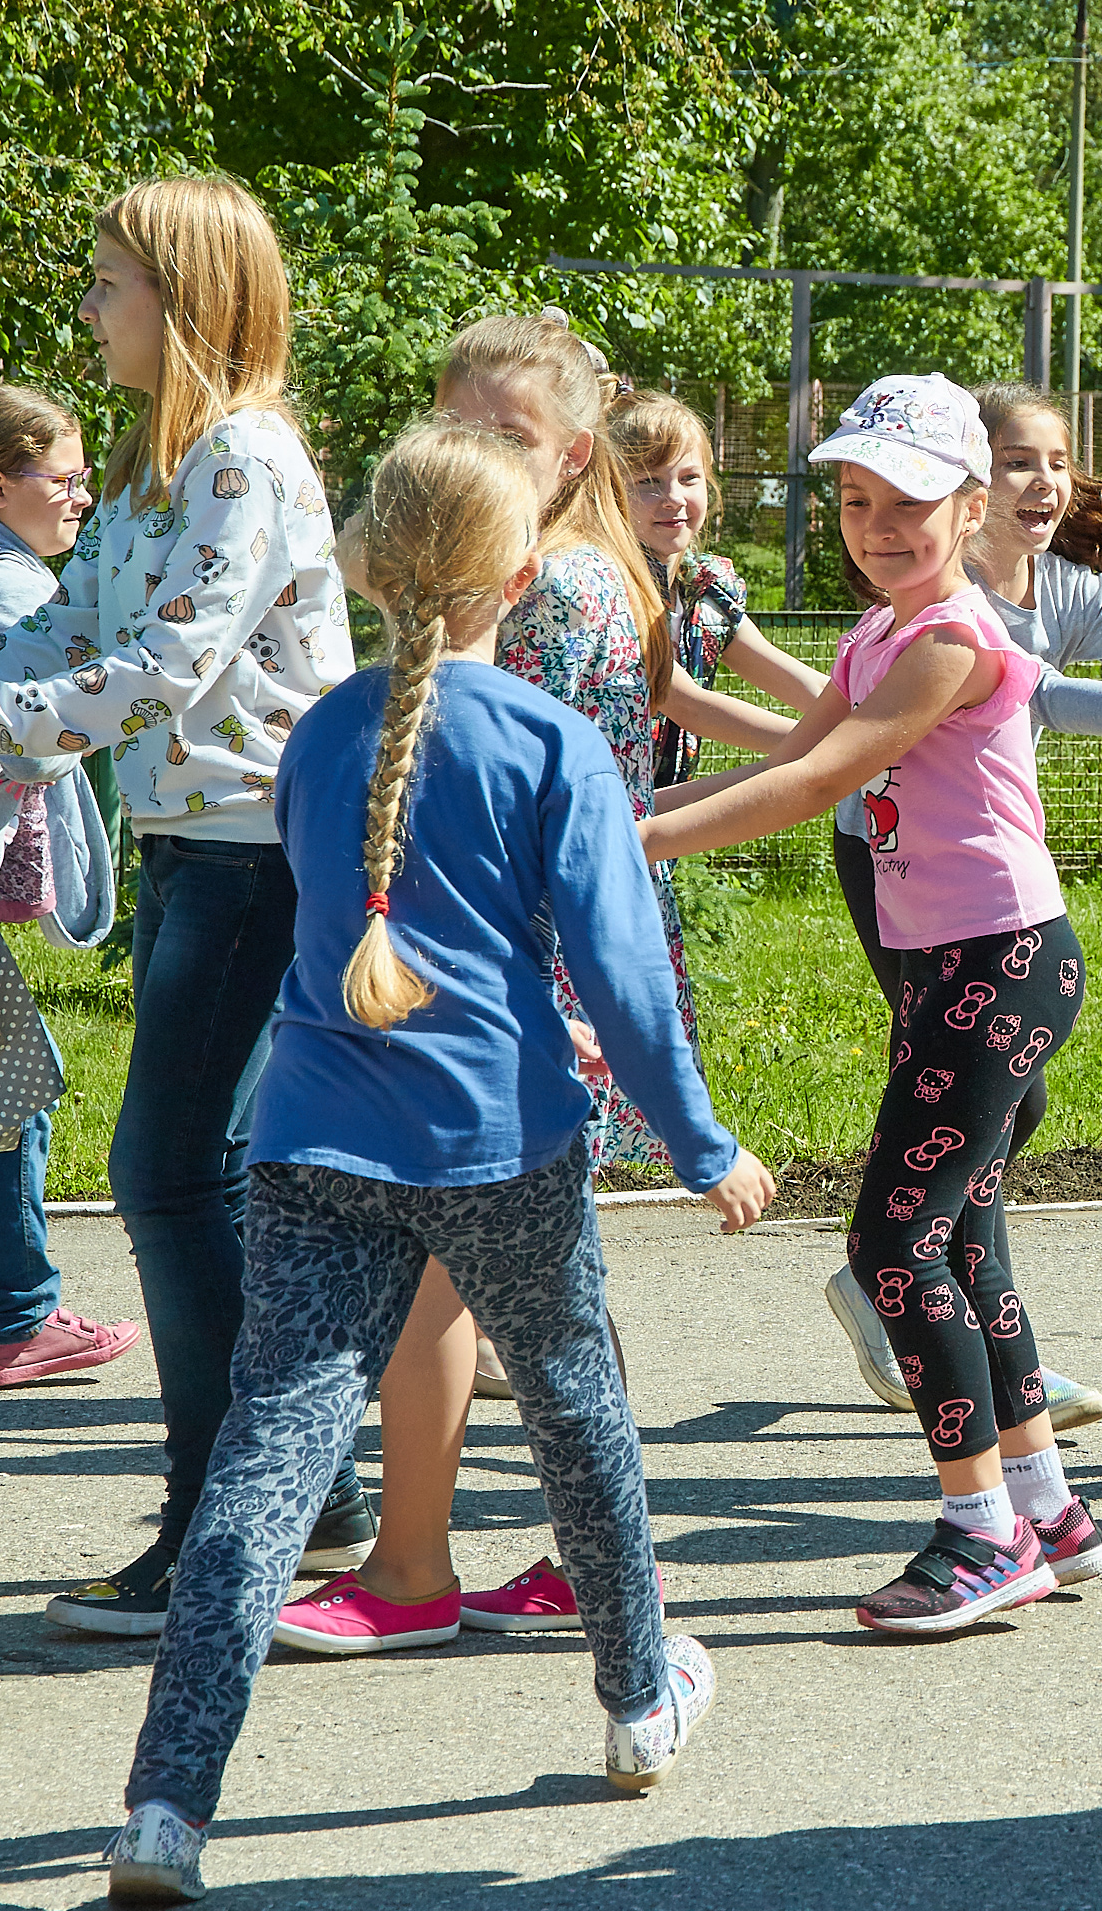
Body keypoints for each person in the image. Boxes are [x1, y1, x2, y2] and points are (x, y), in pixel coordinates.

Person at [101, 418, 773, 1906]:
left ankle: (162, 1809)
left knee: (265, 1473)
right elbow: (619, 972)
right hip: (503, 1140)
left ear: (366, 563)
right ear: (521, 573)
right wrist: (702, 1141)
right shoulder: (554, 741)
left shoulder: (323, 730)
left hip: (314, 1141)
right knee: (577, 1412)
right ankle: (638, 1698)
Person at [271, 313, 794, 1656]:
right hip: (538, 966)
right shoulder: (584, 563)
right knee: (537, 1297)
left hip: (527, 975)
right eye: (460, 425)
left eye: (507, 436)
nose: (477, 451)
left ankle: (420, 1571)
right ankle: (559, 1555)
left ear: (570, 452)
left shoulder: (546, 586)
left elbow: (551, 800)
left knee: (473, 1290)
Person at [648, 374, 1102, 1632]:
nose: (879, 524)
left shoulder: (956, 638)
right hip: (959, 964)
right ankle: (1045, 1505)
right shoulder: (881, 633)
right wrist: (658, 743)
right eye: (857, 500)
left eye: (909, 500)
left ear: (971, 508)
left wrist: (639, 846)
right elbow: (799, 742)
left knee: (890, 1244)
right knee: (962, 1236)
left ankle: (981, 1530)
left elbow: (825, 784)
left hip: (999, 963)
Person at [0, 180, 373, 1634]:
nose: (87, 307)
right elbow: (66, 628)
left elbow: (164, 670)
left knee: (162, 1170)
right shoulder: (159, 466)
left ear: (187, 300)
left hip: (258, 854)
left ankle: (229, 1511)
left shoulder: (244, 464)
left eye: (107, 283)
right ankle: (309, 1494)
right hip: (188, 850)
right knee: (201, 1169)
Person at [810, 379, 1102, 1431]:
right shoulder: (907, 612)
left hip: (994, 928)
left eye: (1056, 462)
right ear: (986, 482)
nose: (1045, 480)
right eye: (1023, 457)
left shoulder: (1013, 605)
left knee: (941, 1186)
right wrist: (633, 813)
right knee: (953, 1179)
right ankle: (1022, 1468)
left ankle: (995, 1482)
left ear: (964, 502)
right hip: (895, 866)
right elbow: (812, 761)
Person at [0, 383, 135, 1388]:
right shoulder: (11, 591)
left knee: (5, 1084)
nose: (78, 497)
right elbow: (46, 726)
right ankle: (22, 1319)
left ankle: (23, 1311)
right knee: (11, 1089)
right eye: (64, 479)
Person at [605, 388, 832, 794]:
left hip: (652, 808)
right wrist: (835, 747)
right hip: (593, 806)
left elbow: (798, 681)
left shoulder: (703, 589)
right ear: (609, 491)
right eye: (648, 482)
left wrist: (873, 720)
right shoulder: (607, 587)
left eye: (689, 478)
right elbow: (688, 704)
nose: (673, 498)